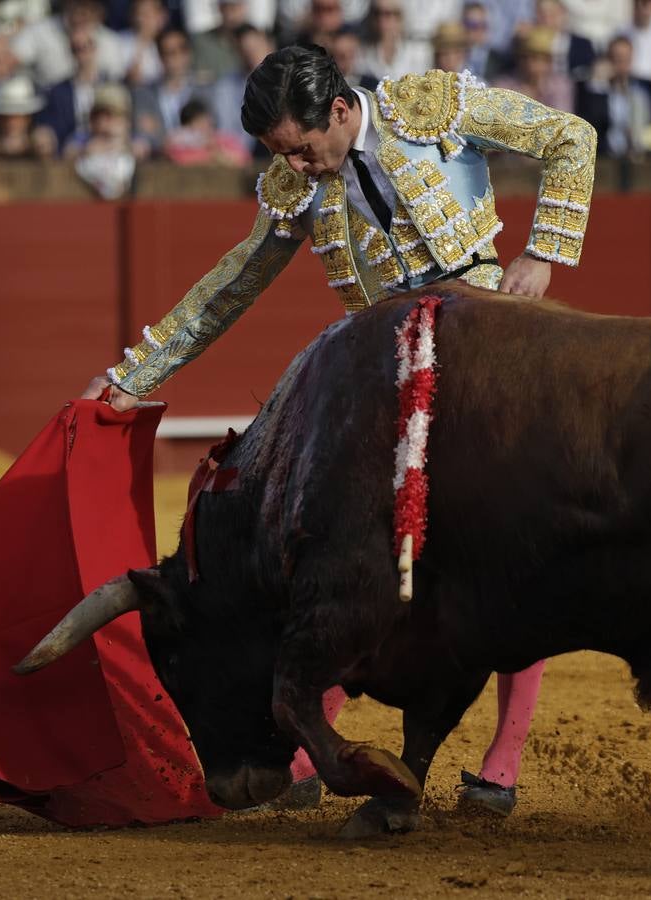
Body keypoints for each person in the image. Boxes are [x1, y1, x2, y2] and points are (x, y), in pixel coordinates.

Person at [82, 44, 598, 817]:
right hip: (379, 363)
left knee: (508, 545)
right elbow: (231, 285)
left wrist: (543, 252)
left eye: (301, 146)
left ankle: (501, 759)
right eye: (280, 154)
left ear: (339, 111)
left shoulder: (427, 107)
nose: (298, 165)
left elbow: (571, 138)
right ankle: (308, 741)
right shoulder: (294, 182)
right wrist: (130, 377)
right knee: (335, 540)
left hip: (490, 343)